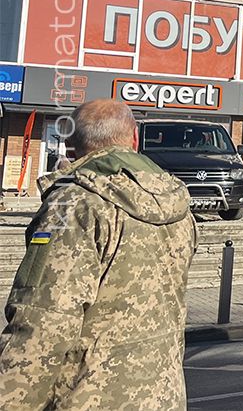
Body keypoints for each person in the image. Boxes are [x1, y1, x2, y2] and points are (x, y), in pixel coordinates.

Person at [0, 99, 197, 409]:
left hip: (89, 398)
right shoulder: (178, 206)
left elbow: (42, 325)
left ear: (70, 144)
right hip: (163, 396)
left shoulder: (74, 204)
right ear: (134, 138)